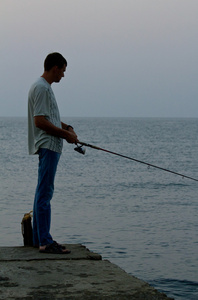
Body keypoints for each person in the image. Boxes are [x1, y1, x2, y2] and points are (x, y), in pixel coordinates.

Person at [28, 52, 78, 254]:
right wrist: (65, 135)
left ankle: (38, 238)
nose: (63, 75)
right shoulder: (41, 88)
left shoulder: (44, 87)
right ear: (55, 68)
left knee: (42, 191)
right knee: (45, 193)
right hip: (48, 146)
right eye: (63, 71)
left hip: (51, 145)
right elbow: (39, 121)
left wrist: (68, 128)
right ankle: (45, 242)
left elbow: (51, 118)